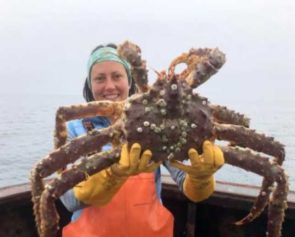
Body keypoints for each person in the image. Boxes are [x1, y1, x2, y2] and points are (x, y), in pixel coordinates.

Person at [60, 43, 224, 237]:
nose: (110, 86)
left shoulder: (154, 118)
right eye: (100, 78)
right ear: (90, 84)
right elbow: (69, 200)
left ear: (129, 80)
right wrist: (112, 175)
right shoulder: (73, 128)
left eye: (117, 76)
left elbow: (186, 184)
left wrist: (201, 177)